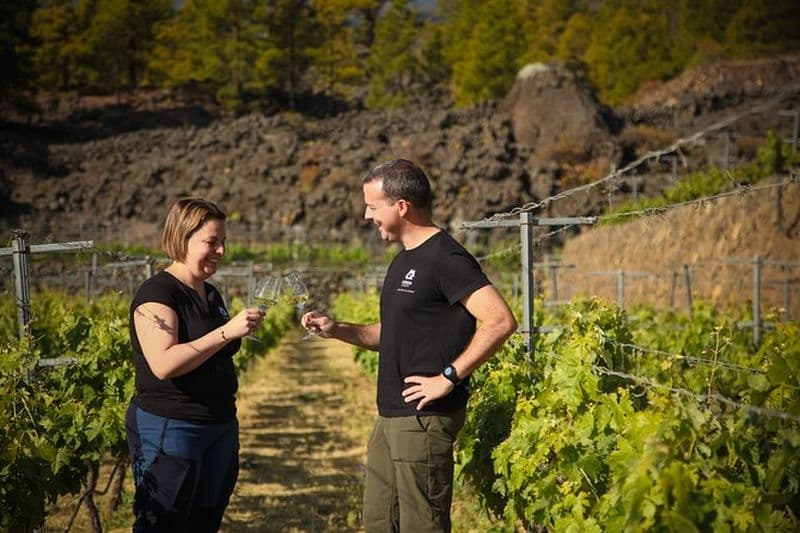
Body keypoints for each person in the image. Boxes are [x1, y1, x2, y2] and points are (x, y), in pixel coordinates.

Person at [302, 159, 517, 532]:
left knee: (422, 524)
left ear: (401, 206)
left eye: (372, 206)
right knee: (379, 521)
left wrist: (448, 376)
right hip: (391, 416)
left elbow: (500, 320)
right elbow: (391, 334)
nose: (367, 216)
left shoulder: (447, 259)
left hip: (424, 419)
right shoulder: (404, 261)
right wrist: (336, 328)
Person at [125, 197, 265, 532]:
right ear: (182, 238)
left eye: (223, 242)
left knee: (205, 520)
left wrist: (234, 333)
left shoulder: (211, 293)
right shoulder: (156, 294)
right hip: (172, 427)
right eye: (211, 242)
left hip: (218, 425)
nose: (221, 251)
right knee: (164, 522)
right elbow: (163, 364)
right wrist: (225, 333)